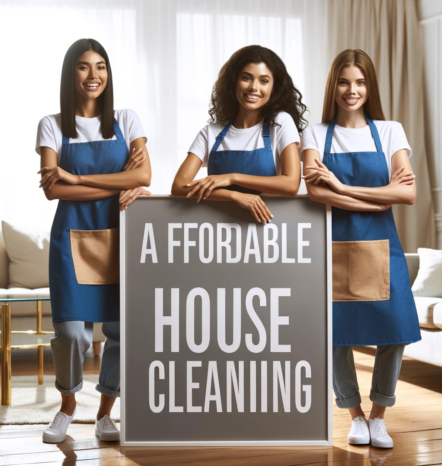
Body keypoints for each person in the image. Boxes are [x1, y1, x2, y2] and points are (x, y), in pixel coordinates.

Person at [301, 49, 421, 449]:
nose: (352, 90)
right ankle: (354, 415)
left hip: (383, 248)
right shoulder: (315, 133)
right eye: (343, 81)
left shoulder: (390, 131)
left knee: (396, 332)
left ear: (369, 86)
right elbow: (316, 192)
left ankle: (379, 416)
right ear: (333, 85)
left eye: (360, 82)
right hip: (332, 249)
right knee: (336, 336)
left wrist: (341, 186)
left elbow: (407, 194)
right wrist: (375, 196)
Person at [36, 38, 151, 444]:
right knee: (71, 332)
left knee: (121, 331)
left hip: (122, 236)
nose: (93, 75)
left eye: (100, 66)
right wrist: (114, 182)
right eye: (83, 67)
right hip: (71, 239)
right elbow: (53, 191)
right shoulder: (51, 125)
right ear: (71, 74)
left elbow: (142, 178)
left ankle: (106, 413)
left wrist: (77, 178)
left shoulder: (126, 119)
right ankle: (67, 406)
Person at [171, 45, 306, 219]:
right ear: (233, 81)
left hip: (268, 230)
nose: (254, 87)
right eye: (246, 78)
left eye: (263, 81)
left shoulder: (280, 123)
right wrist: (233, 196)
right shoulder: (211, 133)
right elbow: (179, 186)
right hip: (218, 230)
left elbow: (291, 184)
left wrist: (232, 178)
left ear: (274, 87)